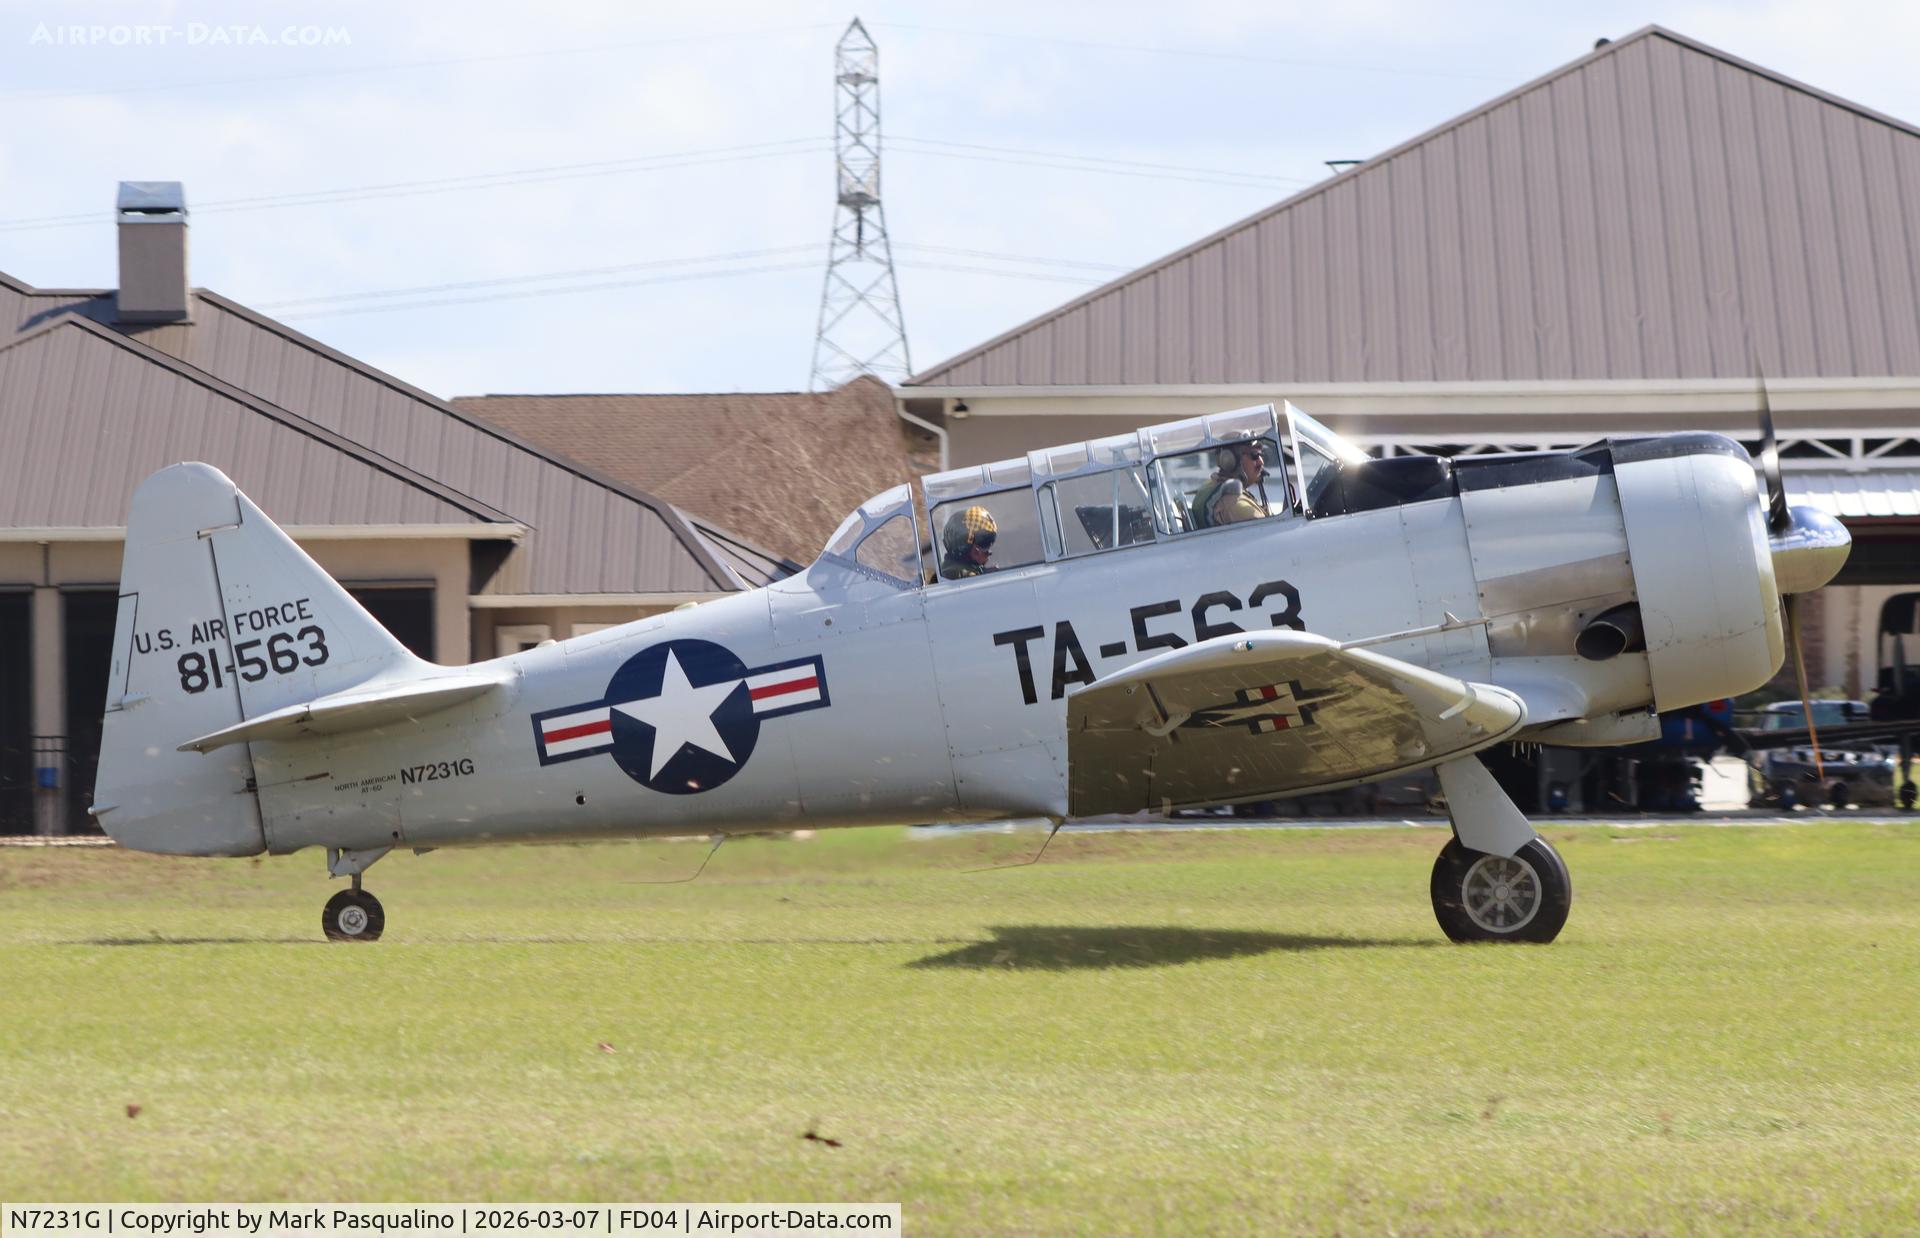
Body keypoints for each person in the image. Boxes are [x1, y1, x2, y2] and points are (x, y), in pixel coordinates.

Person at [1190, 441, 1271, 528]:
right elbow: (1269, 534)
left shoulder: (1214, 486)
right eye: (1255, 455)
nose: (1261, 462)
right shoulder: (1234, 503)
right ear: (1230, 459)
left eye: (1261, 455)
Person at [939, 505, 998, 578]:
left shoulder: (968, 571)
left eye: (990, 540)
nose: (989, 552)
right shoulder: (955, 575)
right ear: (962, 545)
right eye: (984, 542)